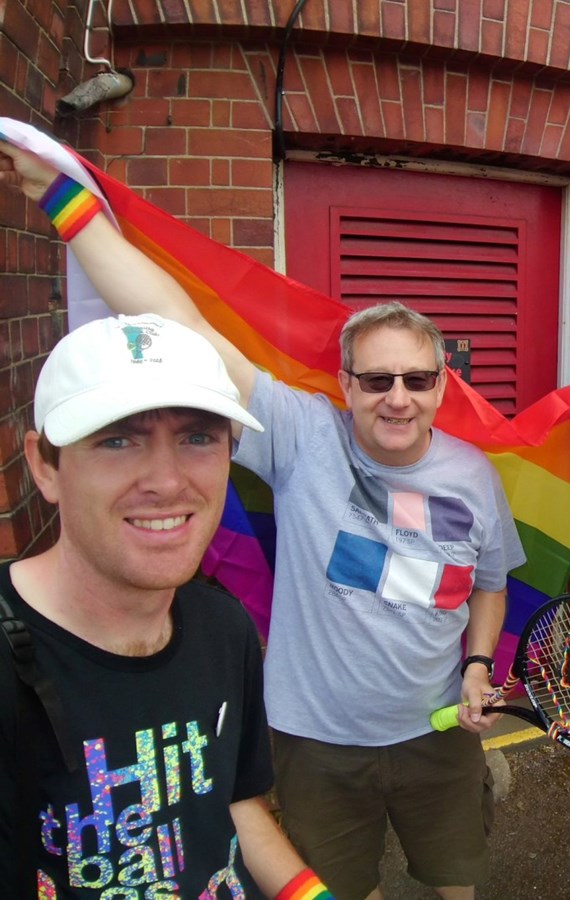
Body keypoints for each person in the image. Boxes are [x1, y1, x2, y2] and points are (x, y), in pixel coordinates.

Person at [0, 137, 527, 900]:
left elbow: (487, 585)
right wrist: (67, 205)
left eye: (418, 378)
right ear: (345, 383)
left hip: (436, 738)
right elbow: (178, 327)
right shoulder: (303, 435)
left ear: (443, 385)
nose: (398, 397)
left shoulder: (475, 477)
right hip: (316, 744)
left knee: (457, 885)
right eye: (377, 378)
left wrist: (478, 664)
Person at [0, 314, 332, 898]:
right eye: (117, 439)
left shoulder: (224, 629)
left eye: (197, 437)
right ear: (44, 466)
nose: (166, 480)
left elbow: (231, 804)